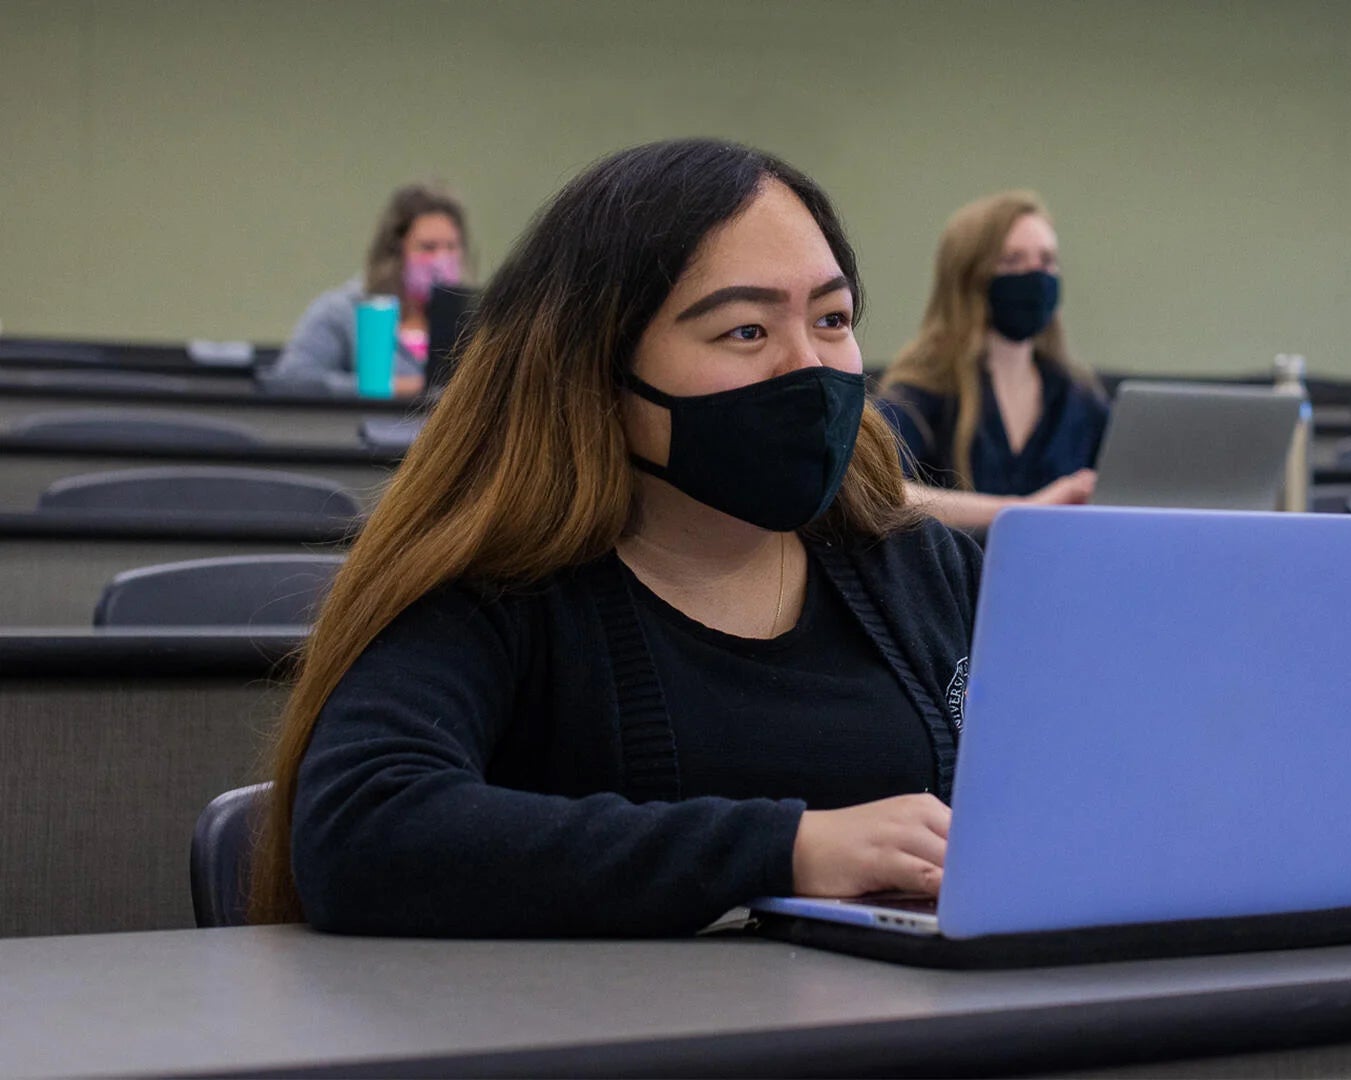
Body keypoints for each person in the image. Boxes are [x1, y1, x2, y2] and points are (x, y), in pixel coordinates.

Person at [249, 140, 974, 937]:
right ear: (598, 369)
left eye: (831, 319)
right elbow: (361, 833)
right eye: (744, 331)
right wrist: (788, 849)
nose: (807, 367)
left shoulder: (918, 569)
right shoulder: (500, 590)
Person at [878, 192, 1109, 531]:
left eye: (1046, 261)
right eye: (1012, 261)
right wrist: (1020, 511)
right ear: (970, 277)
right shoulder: (921, 391)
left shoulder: (1081, 400)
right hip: (957, 581)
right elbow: (878, 489)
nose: (1035, 277)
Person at [267, 183, 468, 398]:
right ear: (395, 251)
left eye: (451, 247)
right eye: (428, 247)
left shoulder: (468, 319)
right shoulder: (341, 311)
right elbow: (290, 380)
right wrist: (391, 388)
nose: (441, 260)